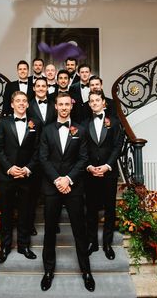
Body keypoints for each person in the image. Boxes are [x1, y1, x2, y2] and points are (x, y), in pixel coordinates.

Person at [39, 92, 95, 292]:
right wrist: (57, 180)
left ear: (71, 106)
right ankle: (48, 271)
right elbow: (43, 158)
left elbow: (83, 158)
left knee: (80, 232)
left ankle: (86, 271)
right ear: (55, 106)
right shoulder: (46, 131)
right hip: (52, 187)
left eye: (66, 104)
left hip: (74, 187)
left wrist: (68, 179)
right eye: (60, 104)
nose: (63, 107)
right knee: (49, 232)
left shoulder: (80, 130)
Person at [0, 91, 40, 263]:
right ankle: (5, 247)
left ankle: (23, 246)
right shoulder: (3, 122)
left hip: (27, 176)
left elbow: (38, 150)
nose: (21, 103)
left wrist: (27, 169)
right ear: (12, 104)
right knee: (6, 212)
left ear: (28, 104)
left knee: (25, 213)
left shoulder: (35, 123)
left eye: (24, 101)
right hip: (8, 176)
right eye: (18, 101)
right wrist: (9, 168)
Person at [83, 90, 123, 260]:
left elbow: (117, 146)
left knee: (109, 209)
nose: (94, 103)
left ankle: (107, 244)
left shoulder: (114, 122)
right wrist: (89, 166)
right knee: (91, 209)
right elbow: (82, 148)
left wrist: (107, 166)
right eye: (91, 101)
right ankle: (93, 242)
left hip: (109, 173)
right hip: (90, 173)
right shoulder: (83, 124)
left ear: (103, 102)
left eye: (97, 100)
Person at [27, 77, 57, 235]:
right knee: (32, 193)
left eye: (43, 86)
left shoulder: (54, 105)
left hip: (53, 155)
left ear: (47, 88)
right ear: (34, 88)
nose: (40, 88)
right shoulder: (27, 106)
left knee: (52, 193)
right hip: (34, 155)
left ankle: (54, 223)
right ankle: (30, 224)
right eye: (38, 86)